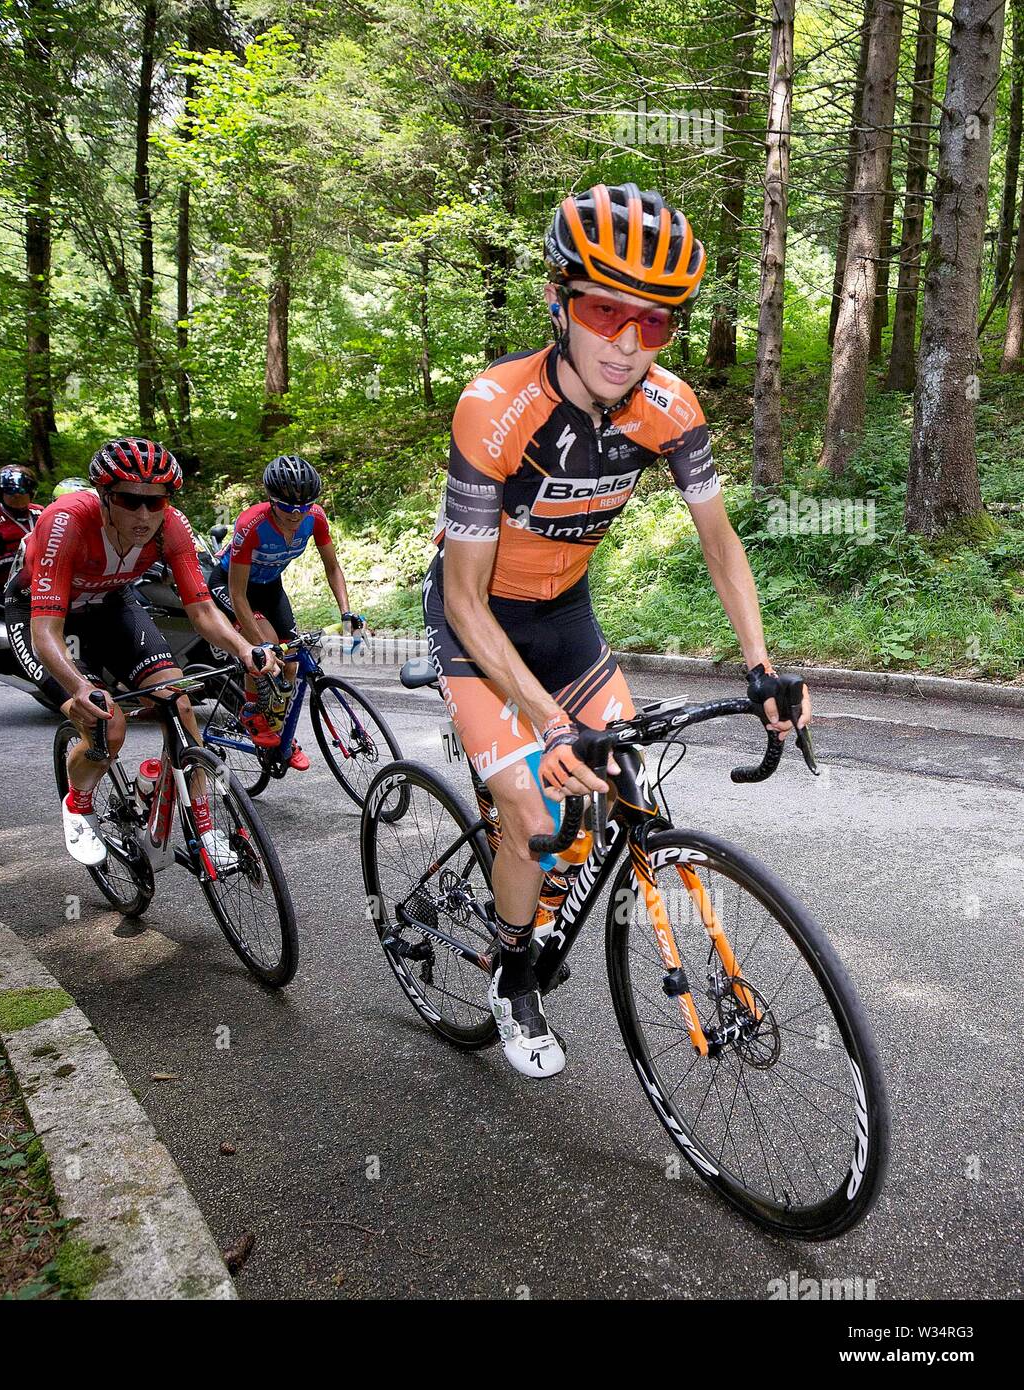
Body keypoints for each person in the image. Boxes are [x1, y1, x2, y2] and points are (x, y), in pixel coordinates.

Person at [425, 183, 812, 1079]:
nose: (628, 343)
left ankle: (543, 872)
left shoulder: (667, 408)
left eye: (657, 323)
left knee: (619, 781)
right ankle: (512, 974)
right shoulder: (495, 406)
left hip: (565, 616)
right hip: (476, 621)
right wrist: (547, 722)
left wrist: (762, 666)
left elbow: (721, 544)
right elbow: (469, 599)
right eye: (607, 312)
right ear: (559, 302)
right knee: (533, 813)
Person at [3, 438, 281, 869]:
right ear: (105, 497)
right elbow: (46, 632)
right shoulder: (67, 522)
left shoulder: (171, 526)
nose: (145, 515)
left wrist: (247, 649)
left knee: (180, 702)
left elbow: (203, 609)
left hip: (111, 604)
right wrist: (80, 688)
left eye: (158, 502)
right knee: (107, 726)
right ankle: (78, 804)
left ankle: (204, 830)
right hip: (41, 616)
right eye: (131, 501)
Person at [209, 456, 364, 770]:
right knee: (266, 649)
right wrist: (260, 646)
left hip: (270, 586)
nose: (297, 515)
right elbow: (237, 593)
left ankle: (280, 734)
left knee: (291, 665)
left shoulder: (315, 518)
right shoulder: (251, 524)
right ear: (271, 500)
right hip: (231, 585)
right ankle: (253, 711)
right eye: (288, 508)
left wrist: (347, 612)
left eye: (305, 507)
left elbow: (332, 568)